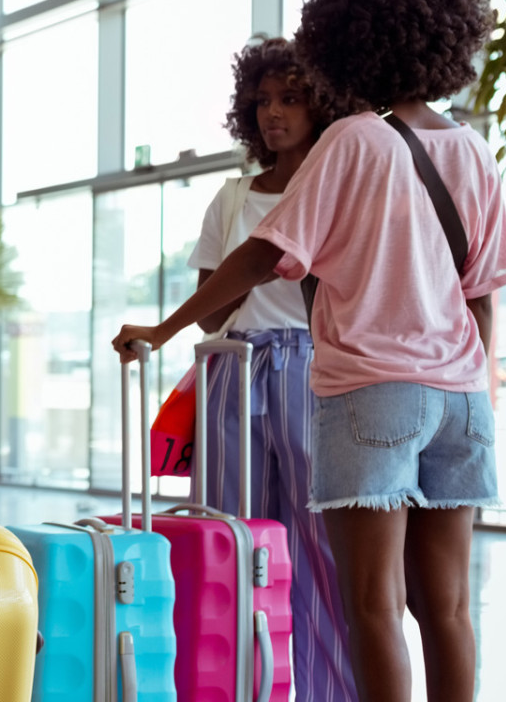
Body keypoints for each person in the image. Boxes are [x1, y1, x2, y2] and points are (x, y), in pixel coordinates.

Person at [114, 0, 506, 702]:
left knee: (373, 604)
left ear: (348, 50)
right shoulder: (473, 149)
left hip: (373, 395)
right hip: (463, 398)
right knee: (448, 606)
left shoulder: (355, 140)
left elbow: (267, 254)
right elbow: (482, 297)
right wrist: (471, 385)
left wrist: (166, 328)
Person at [190, 37, 355, 702]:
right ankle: (234, 685)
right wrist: (249, 268)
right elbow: (208, 314)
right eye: (263, 101)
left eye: (290, 99)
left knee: (324, 546)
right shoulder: (231, 199)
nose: (272, 114)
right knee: (229, 533)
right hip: (236, 368)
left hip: (319, 371)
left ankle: (326, 691)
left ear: (323, 105)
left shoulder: (342, 189)